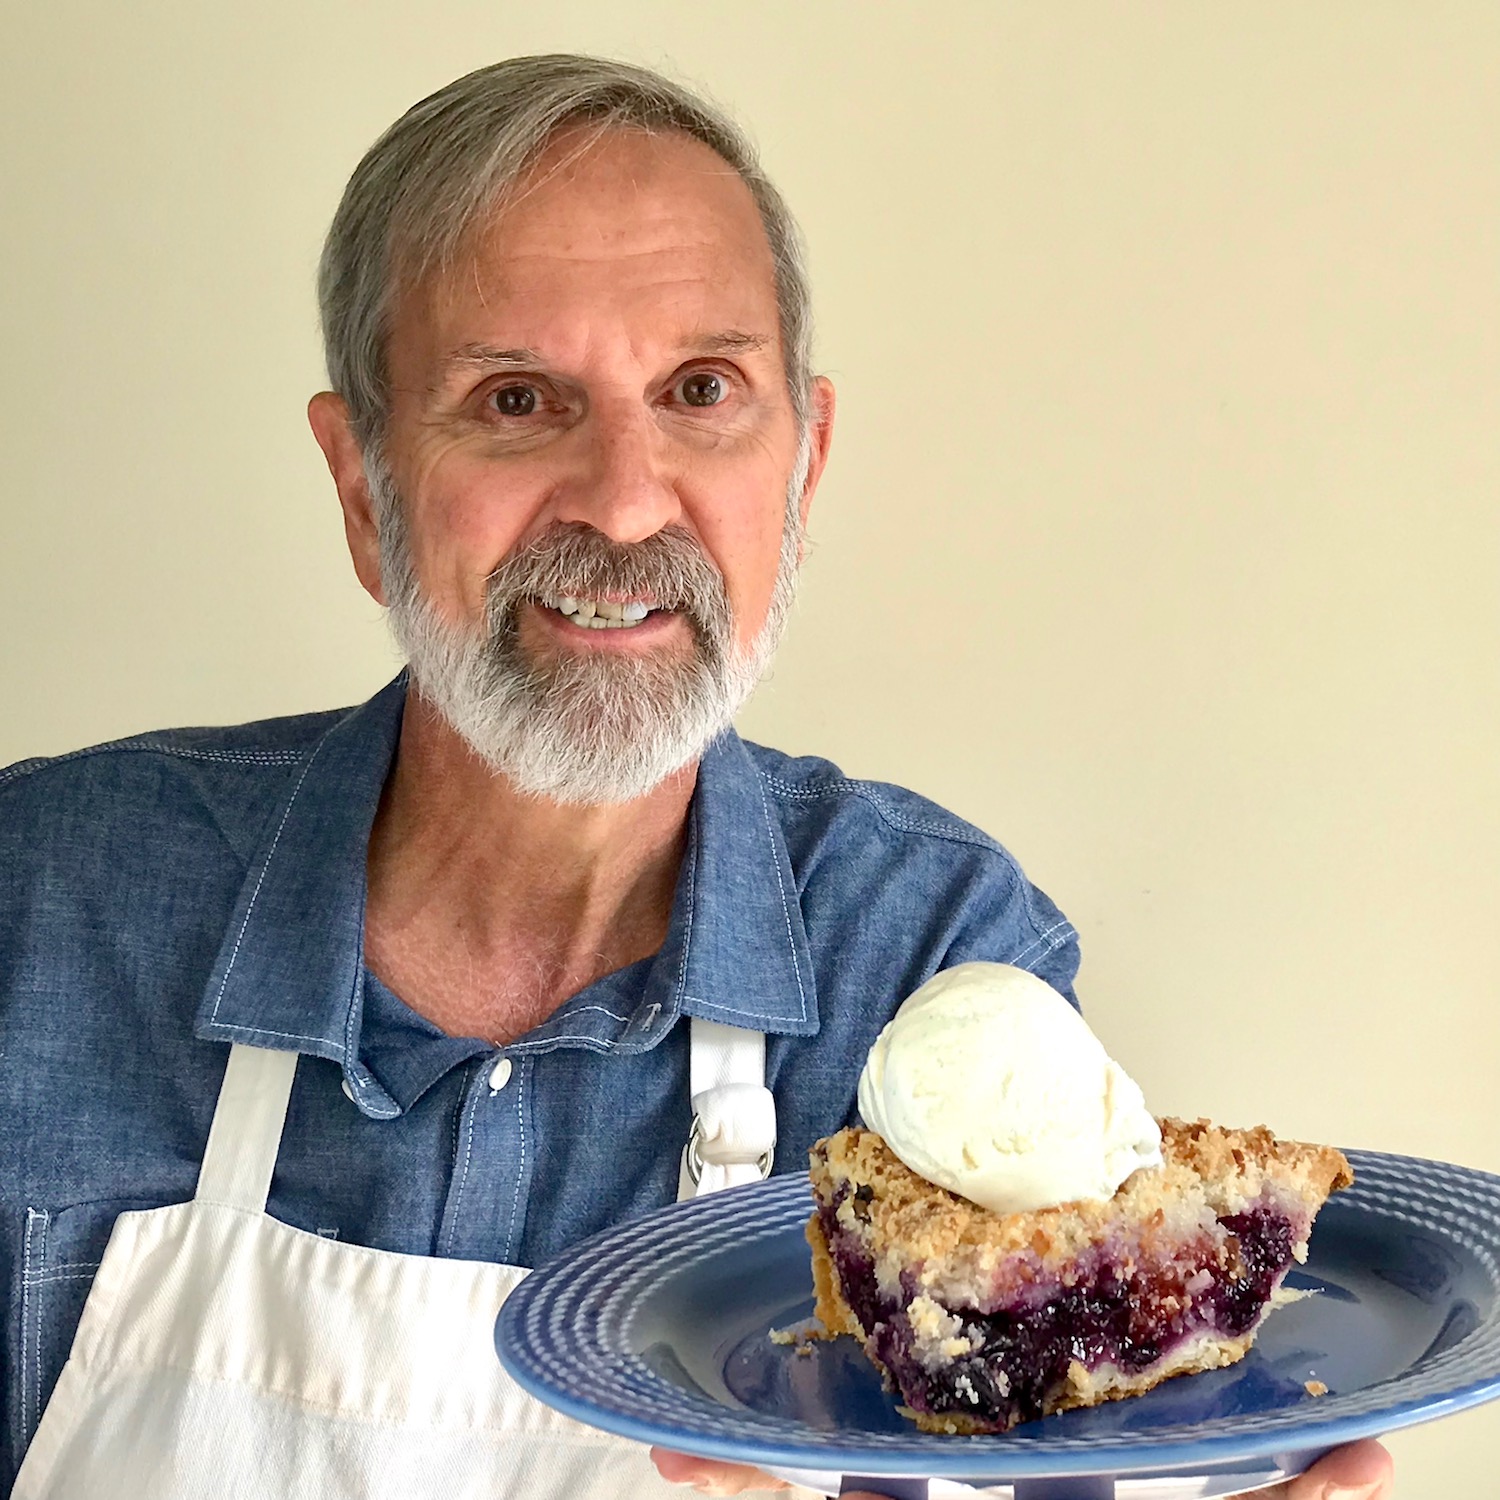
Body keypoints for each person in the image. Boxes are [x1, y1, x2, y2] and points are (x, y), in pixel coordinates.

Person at [0, 55, 1391, 1500]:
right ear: (366, 490)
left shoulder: (926, 952)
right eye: (517, 399)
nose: (622, 498)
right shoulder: (43, 904)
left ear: (803, 465)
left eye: (702, 389)